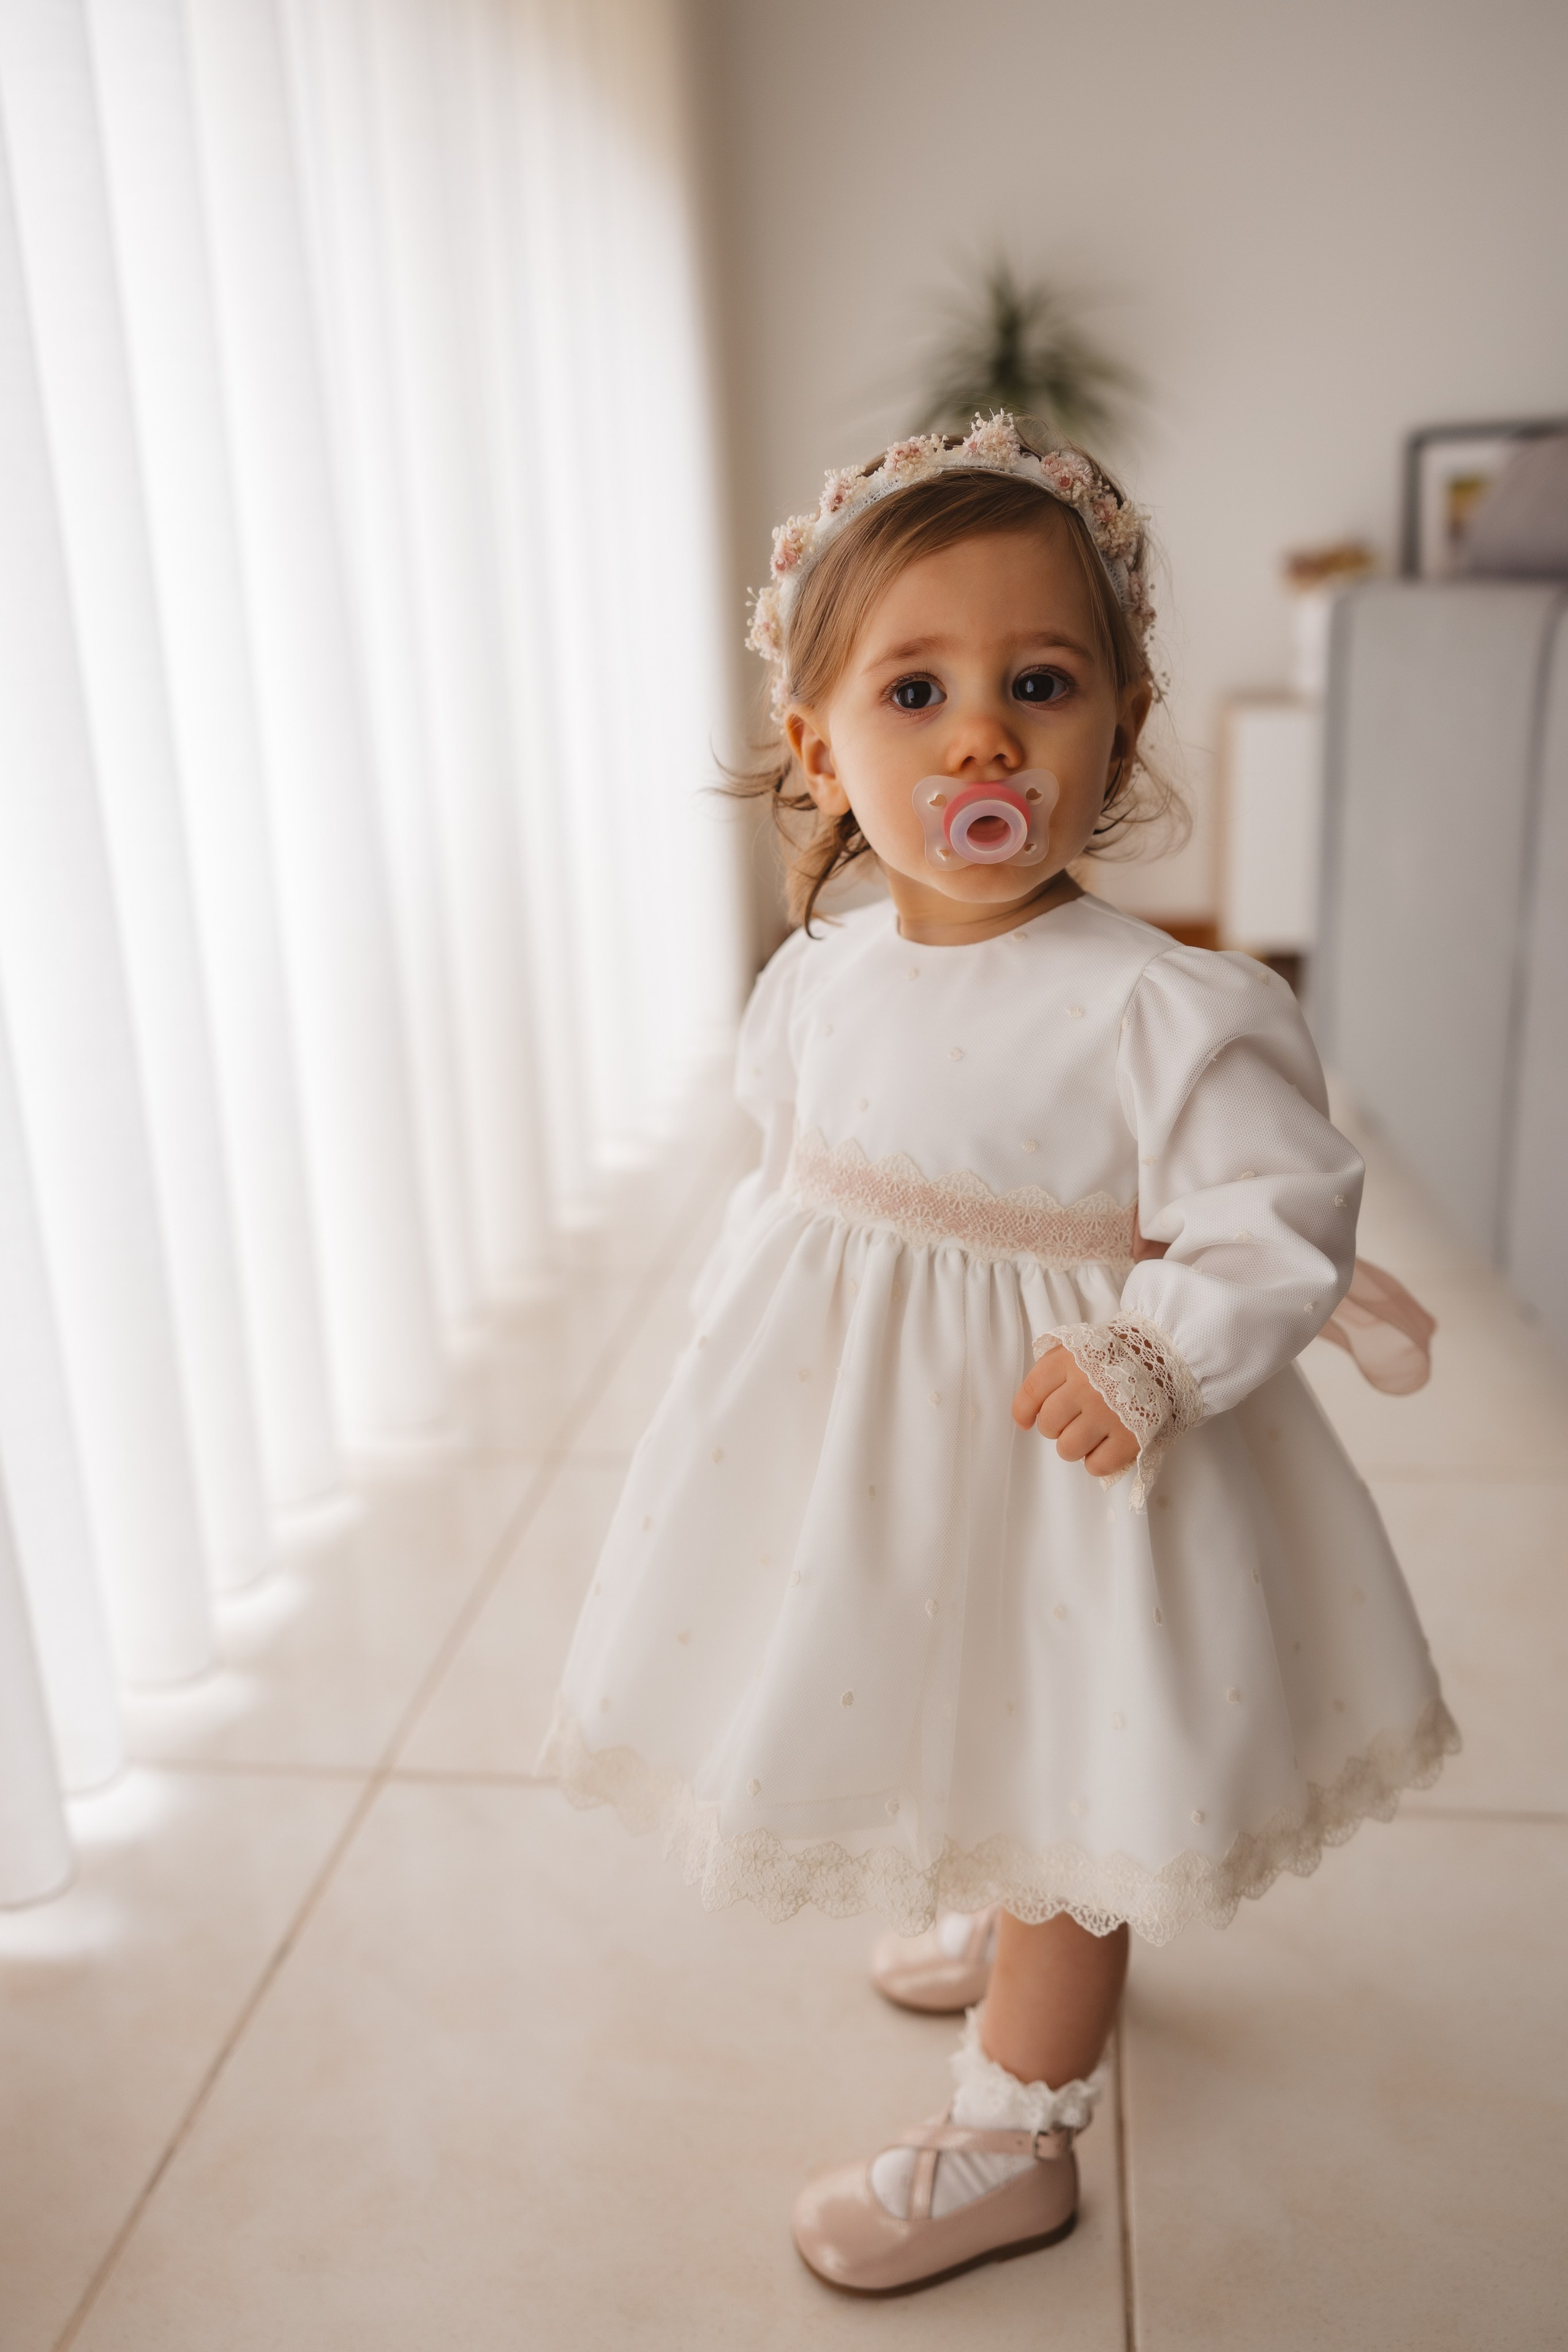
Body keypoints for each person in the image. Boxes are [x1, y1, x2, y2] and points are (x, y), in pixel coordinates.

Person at [540, 414, 1458, 2296]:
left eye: (1041, 684)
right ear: (821, 748)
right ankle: (994, 1896)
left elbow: (1278, 1215)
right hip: (878, 1457)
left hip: (1078, 1475)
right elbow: (789, 1193)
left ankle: (1016, 2129)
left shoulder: (1163, 1007)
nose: (982, 737)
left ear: (1119, 731)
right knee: (941, 1685)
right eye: (917, 688)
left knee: (1069, 1765)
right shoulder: (817, 981)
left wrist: (1157, 1352)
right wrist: (741, 1364)